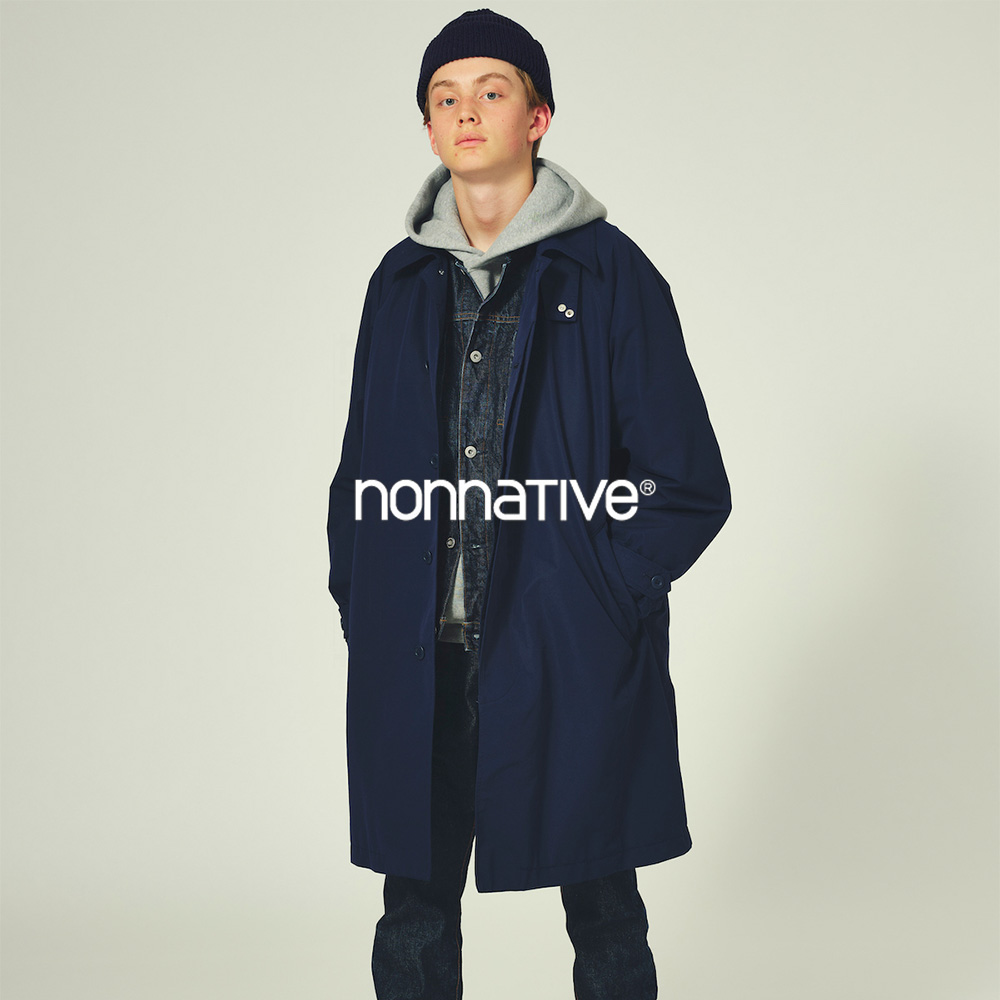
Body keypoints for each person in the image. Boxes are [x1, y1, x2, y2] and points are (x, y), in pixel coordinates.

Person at [326, 9, 731, 998]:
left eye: (491, 91)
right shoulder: (398, 283)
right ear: (429, 127)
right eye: (445, 97)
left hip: (564, 646)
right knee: (413, 912)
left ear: (538, 116)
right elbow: (358, 471)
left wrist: (603, 593)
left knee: (603, 901)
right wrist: (363, 595)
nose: (466, 112)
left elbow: (685, 481)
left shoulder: (611, 273)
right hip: (421, 651)